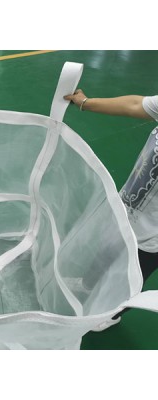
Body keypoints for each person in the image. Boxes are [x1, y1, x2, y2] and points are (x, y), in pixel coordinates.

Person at [64, 89, 158, 329]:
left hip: (153, 236)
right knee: (107, 248)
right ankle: (87, 286)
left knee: (130, 275)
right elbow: (134, 104)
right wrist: (85, 103)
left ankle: (111, 314)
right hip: (128, 207)